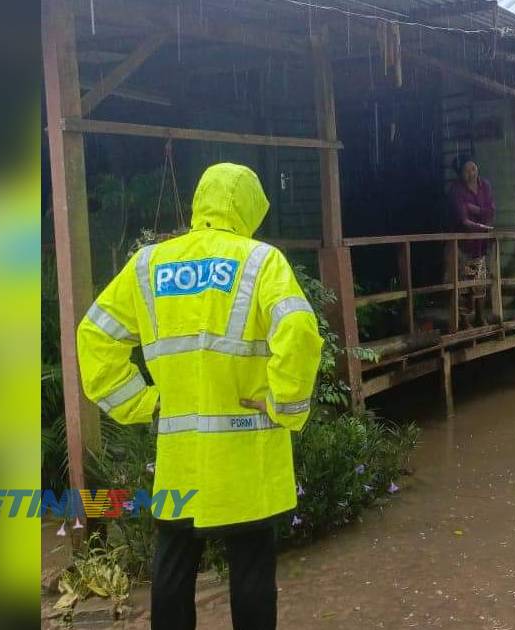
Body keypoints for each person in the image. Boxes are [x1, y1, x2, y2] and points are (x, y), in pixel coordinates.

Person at [76, 163, 323, 629]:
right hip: (246, 455)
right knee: (250, 569)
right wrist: (284, 405)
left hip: (179, 453)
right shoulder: (260, 261)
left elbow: (94, 335)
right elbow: (299, 331)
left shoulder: (149, 264)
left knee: (172, 567)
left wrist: (142, 403)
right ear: (249, 207)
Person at [447, 157, 496, 328]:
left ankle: (480, 318)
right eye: (467, 170)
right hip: (462, 245)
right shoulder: (456, 190)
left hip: (479, 244)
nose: (471, 173)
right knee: (464, 285)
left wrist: (476, 210)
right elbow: (463, 220)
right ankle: (465, 320)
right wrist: (483, 223)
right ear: (461, 173)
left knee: (480, 282)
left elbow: (491, 211)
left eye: (473, 169)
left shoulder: (485, 186)